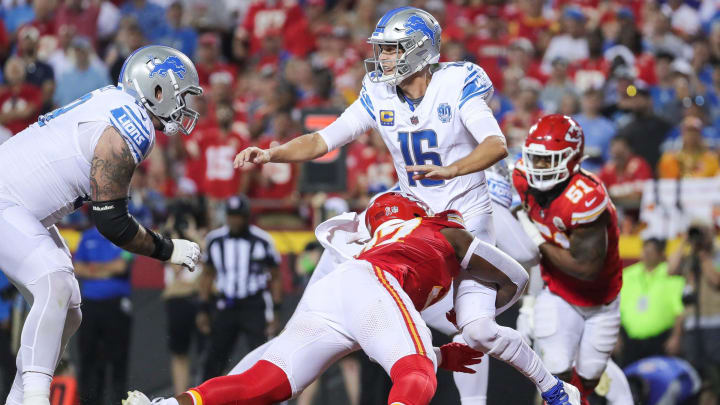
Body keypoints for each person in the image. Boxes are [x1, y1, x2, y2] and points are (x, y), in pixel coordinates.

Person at [234, 7, 507, 403]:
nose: (383, 58)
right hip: (409, 220)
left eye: (393, 50)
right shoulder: (379, 91)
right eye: (382, 50)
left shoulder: (456, 83)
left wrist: (452, 170)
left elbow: (496, 144)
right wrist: (273, 154)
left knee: (477, 330)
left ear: (419, 50)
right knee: (303, 324)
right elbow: (322, 140)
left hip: (463, 224)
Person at [125, 192, 580, 405]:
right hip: (376, 285)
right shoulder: (441, 230)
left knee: (268, 384)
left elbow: (373, 330)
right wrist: (475, 319)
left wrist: (438, 352)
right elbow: (515, 276)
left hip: (339, 288)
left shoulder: (366, 240)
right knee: (416, 370)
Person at [0, 45, 202, 405]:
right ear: (157, 91)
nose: (185, 105)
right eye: (180, 94)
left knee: (70, 309)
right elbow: (111, 221)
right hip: (7, 201)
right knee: (54, 281)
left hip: (21, 206)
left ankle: (20, 399)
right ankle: (33, 398)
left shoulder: (113, 101)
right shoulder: (132, 123)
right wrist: (167, 249)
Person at [513, 114, 629, 405]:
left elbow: (586, 269)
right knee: (555, 370)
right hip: (559, 293)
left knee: (589, 376)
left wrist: (537, 239)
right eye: (535, 158)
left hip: (602, 300)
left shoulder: (586, 198)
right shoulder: (520, 177)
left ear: (572, 159)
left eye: (547, 160)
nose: (537, 167)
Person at [197, 195, 282, 379]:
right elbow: (207, 275)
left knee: (261, 356)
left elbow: (275, 276)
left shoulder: (262, 240)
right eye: (232, 215)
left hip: (253, 304)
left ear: (247, 216)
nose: (235, 220)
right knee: (214, 358)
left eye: (239, 216)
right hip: (226, 303)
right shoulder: (215, 240)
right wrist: (203, 308)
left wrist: (275, 310)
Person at [73, 226, 134, 405]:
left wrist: (93, 269)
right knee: (88, 358)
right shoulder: (87, 237)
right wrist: (108, 270)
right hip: (90, 306)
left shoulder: (126, 234)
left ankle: (118, 402)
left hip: (116, 305)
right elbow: (77, 267)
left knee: (118, 359)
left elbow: (122, 265)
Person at [619, 238, 685, 367]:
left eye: (651, 251)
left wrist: (676, 337)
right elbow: (614, 309)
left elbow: (680, 311)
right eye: (645, 250)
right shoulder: (627, 275)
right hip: (630, 341)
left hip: (660, 340)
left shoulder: (670, 274)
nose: (647, 254)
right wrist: (615, 337)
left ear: (661, 255)